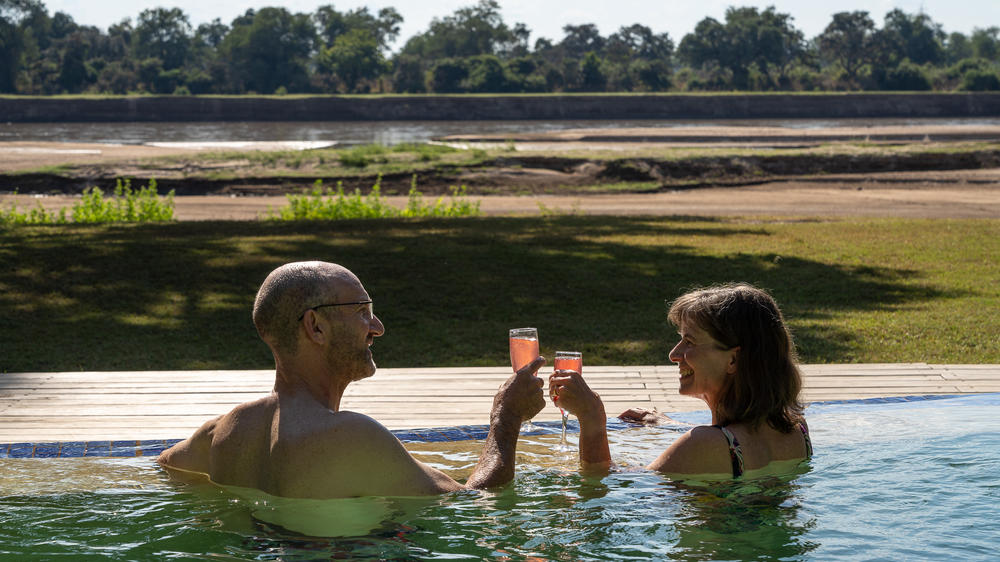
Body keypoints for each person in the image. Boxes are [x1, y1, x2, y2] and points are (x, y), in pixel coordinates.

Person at [158, 261, 546, 497]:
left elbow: (165, 465)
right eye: (361, 311)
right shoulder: (351, 437)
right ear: (316, 326)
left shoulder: (221, 433)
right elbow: (472, 507)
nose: (377, 326)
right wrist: (505, 420)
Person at [550, 283, 812, 478]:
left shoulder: (704, 444)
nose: (674, 354)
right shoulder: (797, 430)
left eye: (690, 341)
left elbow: (607, 487)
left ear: (733, 360)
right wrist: (668, 425)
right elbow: (739, 435)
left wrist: (592, 418)